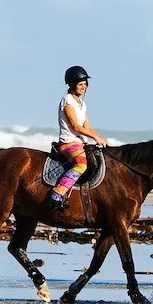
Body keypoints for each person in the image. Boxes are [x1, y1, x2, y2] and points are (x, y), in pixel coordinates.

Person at [44, 65, 109, 210]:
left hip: (81, 143)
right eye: (80, 84)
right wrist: (94, 138)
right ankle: (57, 192)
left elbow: (87, 127)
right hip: (68, 142)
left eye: (85, 84)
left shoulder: (81, 103)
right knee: (81, 165)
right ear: (72, 85)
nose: (83, 87)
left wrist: (101, 138)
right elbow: (76, 126)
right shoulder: (67, 101)